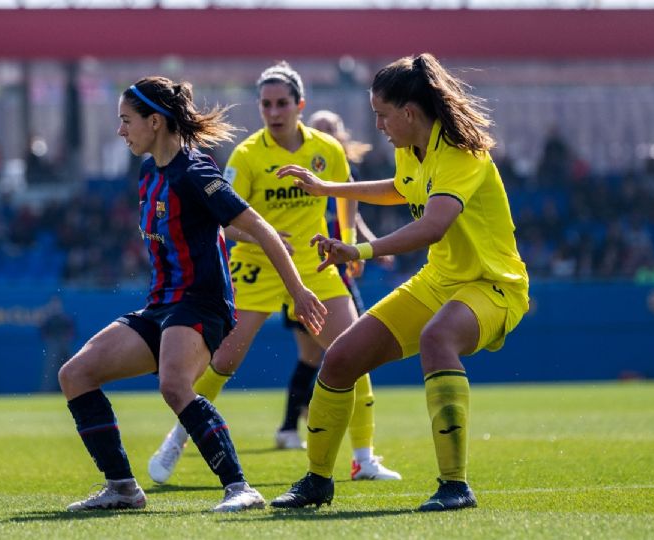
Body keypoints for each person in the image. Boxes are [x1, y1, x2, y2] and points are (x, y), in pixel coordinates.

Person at [268, 53, 530, 512]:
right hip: (439, 281)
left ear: (408, 113)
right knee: (341, 358)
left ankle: (455, 486)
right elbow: (400, 187)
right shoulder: (411, 147)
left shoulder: (462, 153)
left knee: (438, 337)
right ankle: (316, 482)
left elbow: (432, 227)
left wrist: (361, 249)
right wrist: (329, 189)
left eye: (382, 115)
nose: (379, 125)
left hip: (494, 285)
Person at [57, 76, 327, 513]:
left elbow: (260, 228)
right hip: (162, 304)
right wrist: (250, 235)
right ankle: (123, 488)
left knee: (174, 385)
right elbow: (219, 225)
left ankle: (239, 488)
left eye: (127, 121)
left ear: (156, 122)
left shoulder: (196, 171)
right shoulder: (150, 171)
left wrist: (297, 292)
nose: (121, 130)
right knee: (75, 374)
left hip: (202, 301)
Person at [147, 61, 400, 485]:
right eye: (266, 104)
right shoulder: (247, 156)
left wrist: (351, 244)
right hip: (256, 269)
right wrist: (257, 239)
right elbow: (221, 221)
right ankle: (177, 439)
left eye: (282, 103)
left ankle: (363, 459)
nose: (274, 111)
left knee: (353, 355)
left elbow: (346, 195)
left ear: (300, 104)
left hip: (314, 267)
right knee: (223, 363)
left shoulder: (327, 150)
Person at [275, 110, 395, 461]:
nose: (324, 133)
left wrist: (364, 246)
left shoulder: (343, 171)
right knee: (322, 354)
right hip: (307, 268)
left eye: (330, 128)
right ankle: (333, 439)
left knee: (316, 356)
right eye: (318, 128)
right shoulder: (300, 170)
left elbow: (351, 215)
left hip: (337, 265)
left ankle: (293, 427)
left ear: (340, 134)